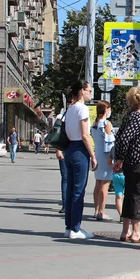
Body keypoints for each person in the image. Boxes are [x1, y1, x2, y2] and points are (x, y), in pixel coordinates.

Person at [114, 87, 140, 242]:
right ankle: (136, 232)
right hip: (137, 161)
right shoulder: (137, 118)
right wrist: (120, 158)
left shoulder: (129, 116)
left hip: (130, 162)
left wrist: (120, 158)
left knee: (129, 195)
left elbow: (120, 136)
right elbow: (124, 139)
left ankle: (125, 231)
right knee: (139, 196)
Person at [63, 80, 97, 239]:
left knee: (70, 190)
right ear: (82, 91)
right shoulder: (82, 108)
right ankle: (76, 229)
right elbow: (85, 135)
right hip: (79, 150)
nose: (91, 93)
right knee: (79, 191)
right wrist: (93, 155)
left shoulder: (69, 108)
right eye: (89, 90)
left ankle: (69, 227)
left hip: (69, 149)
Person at [90, 100, 115, 221]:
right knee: (105, 184)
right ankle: (102, 212)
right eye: (109, 108)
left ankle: (96, 210)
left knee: (98, 183)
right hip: (106, 156)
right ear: (106, 110)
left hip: (98, 154)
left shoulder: (94, 124)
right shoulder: (106, 124)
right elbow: (109, 142)